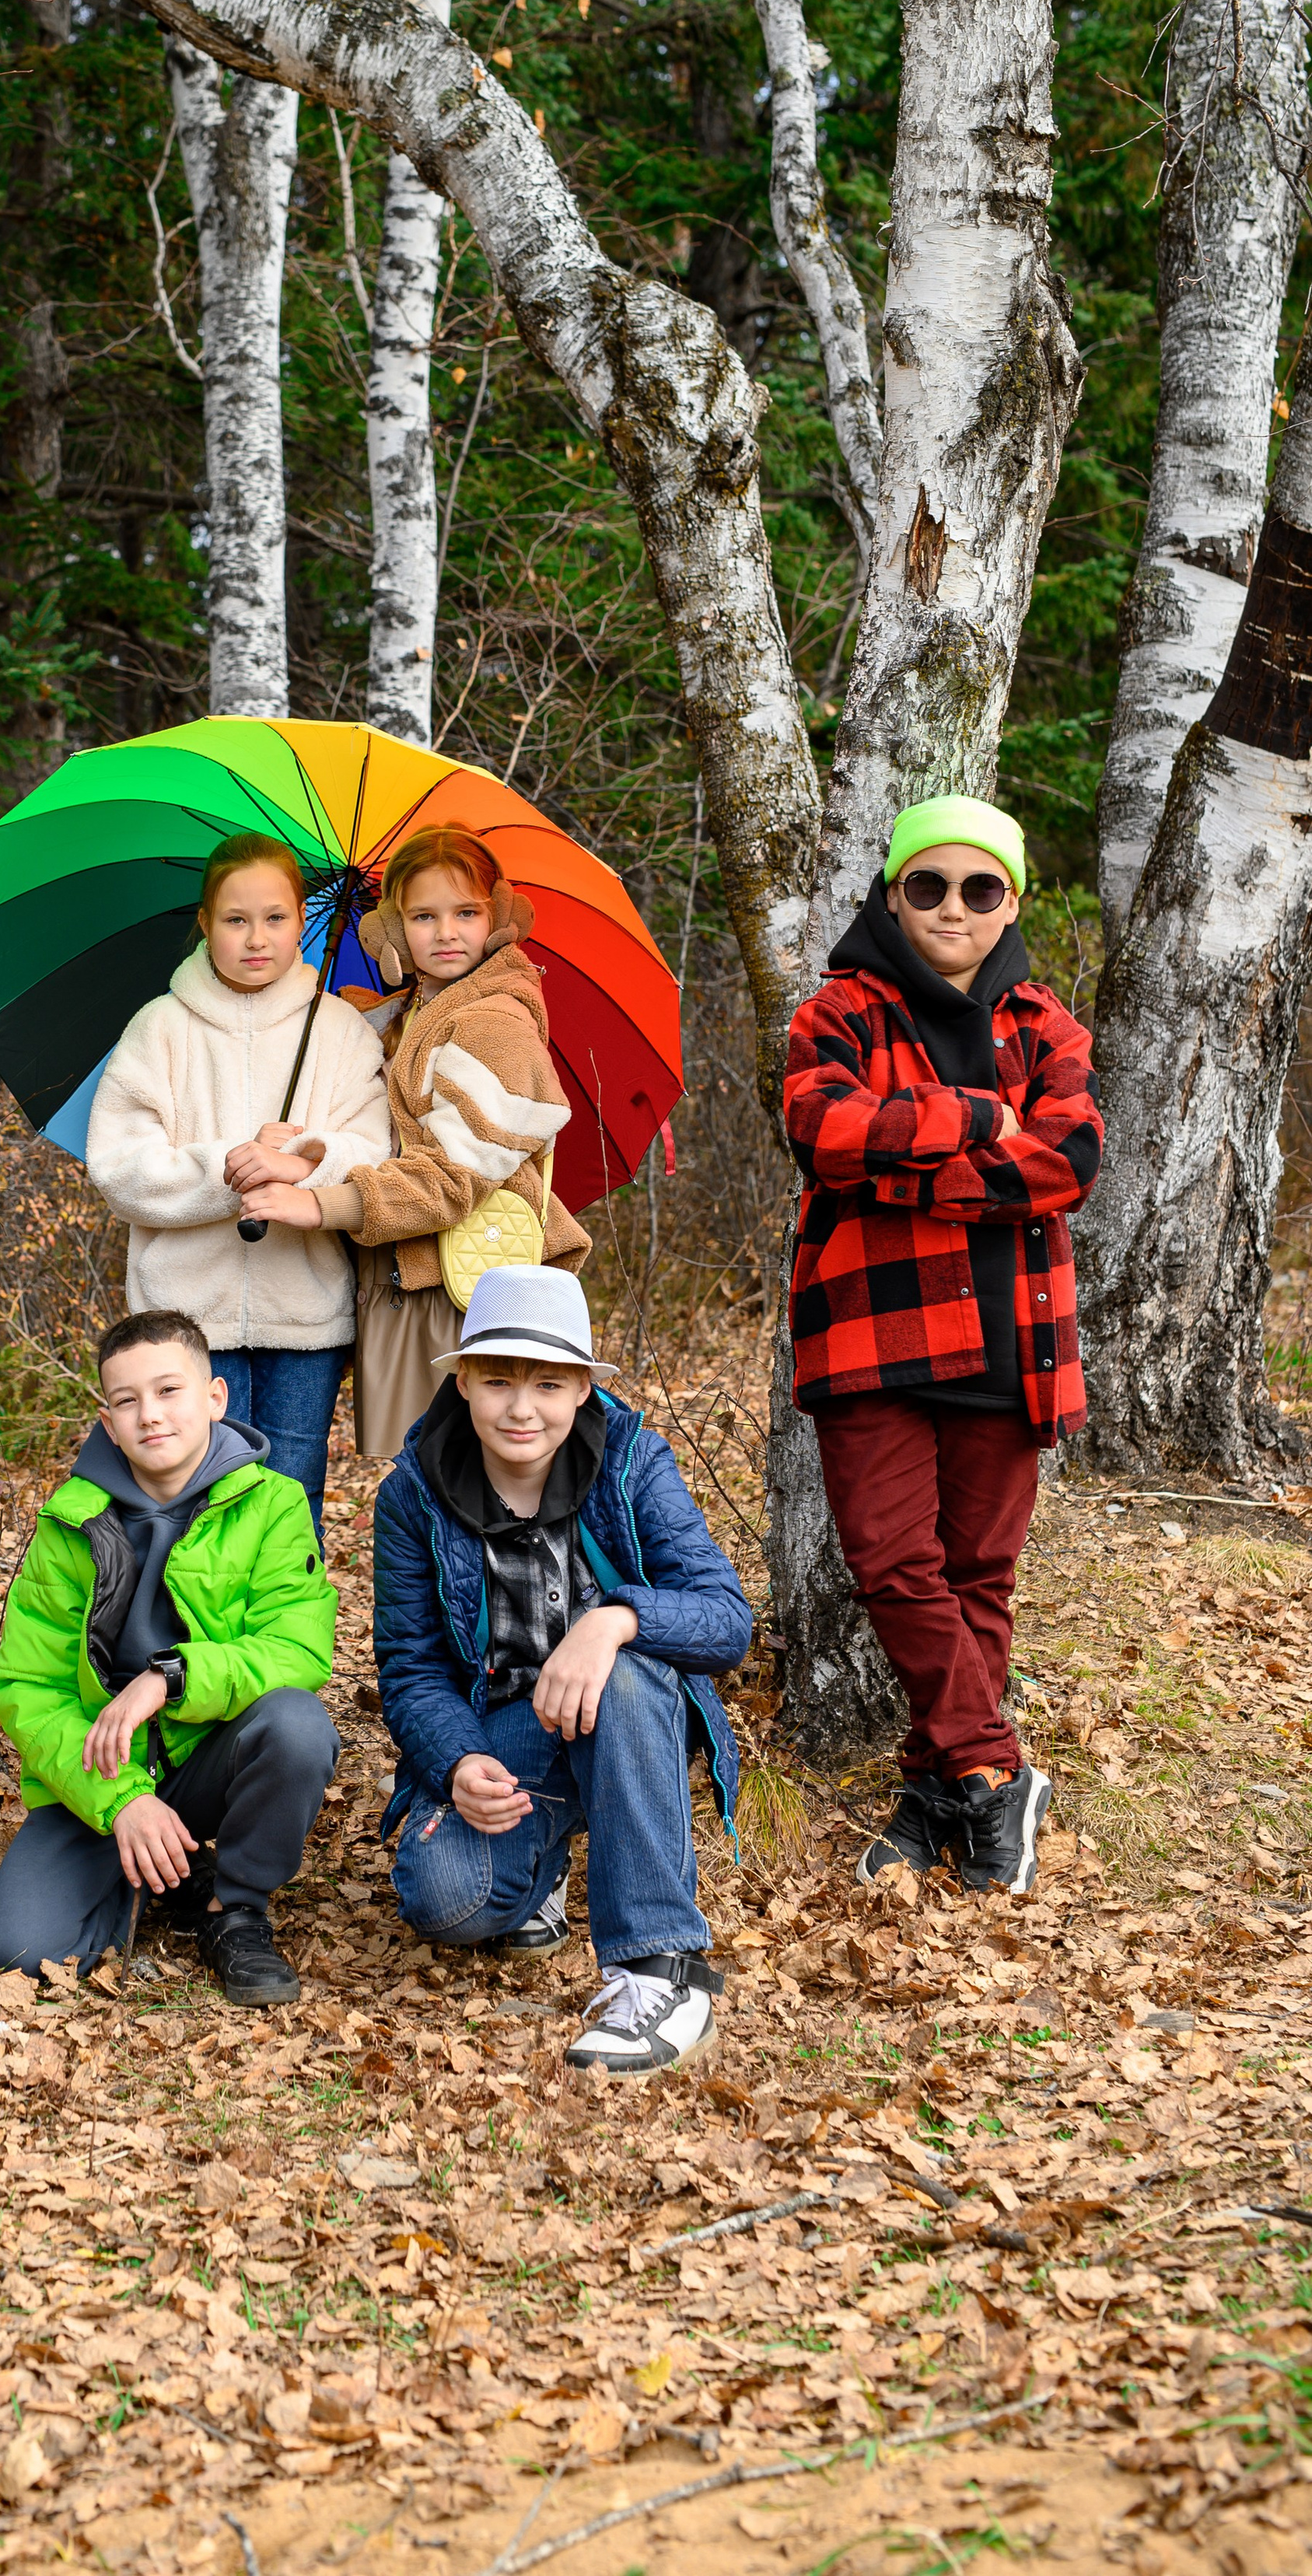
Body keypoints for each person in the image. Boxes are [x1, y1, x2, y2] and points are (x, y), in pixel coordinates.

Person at [784, 796, 1102, 1897]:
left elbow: (1071, 1159)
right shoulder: (836, 1013)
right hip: (873, 1331)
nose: (953, 908)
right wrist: (978, 1123)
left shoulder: (1047, 1025)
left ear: (1011, 899)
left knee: (978, 1579)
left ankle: (941, 1797)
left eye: (980, 888)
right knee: (890, 1563)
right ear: (893, 893)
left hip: (1016, 1339)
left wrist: (905, 1159)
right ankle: (996, 1765)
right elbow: (825, 1135)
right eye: (928, 886)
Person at [373, 1264, 750, 2075]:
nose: (521, 1406)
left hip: (631, 1712)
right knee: (445, 1899)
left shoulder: (632, 1462)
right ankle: (544, 1859)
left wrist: (613, 1619)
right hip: (510, 1725)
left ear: (581, 1387)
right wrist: (457, 1758)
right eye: (499, 1379)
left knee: (619, 1672)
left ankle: (661, 1968)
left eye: (547, 1382)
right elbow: (410, 1667)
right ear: (464, 1378)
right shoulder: (412, 1493)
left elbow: (726, 1620)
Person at [0, 1307, 339, 2006]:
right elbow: (25, 1685)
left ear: (215, 1398)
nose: (151, 1415)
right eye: (127, 1400)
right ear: (108, 1420)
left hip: (213, 1753)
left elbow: (295, 1649)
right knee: (25, 1950)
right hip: (103, 1764)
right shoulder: (69, 1522)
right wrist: (121, 1804)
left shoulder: (274, 1504)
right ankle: (164, 1874)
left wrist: (169, 1677)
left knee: (297, 1726)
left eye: (169, 1391)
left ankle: (234, 1909)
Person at [238, 825, 589, 1460]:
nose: (447, 932)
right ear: (394, 931)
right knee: (422, 1482)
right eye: (424, 915)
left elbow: (453, 1178)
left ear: (499, 918)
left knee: (456, 1478)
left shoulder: (493, 1025)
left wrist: (320, 1203)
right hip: (408, 1278)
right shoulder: (408, 1016)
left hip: (457, 1289)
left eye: (466, 913)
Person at [85, 833, 390, 1537]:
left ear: (303, 920)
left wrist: (306, 1160)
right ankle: (195, 1645)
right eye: (236, 919)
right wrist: (230, 1165)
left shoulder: (339, 1032)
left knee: (289, 1500)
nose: (258, 938)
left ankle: (286, 1645)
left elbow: (377, 1153)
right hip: (187, 1319)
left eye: (277, 918)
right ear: (205, 922)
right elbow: (120, 1167)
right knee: (197, 1503)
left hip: (305, 1318)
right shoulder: (159, 1029)